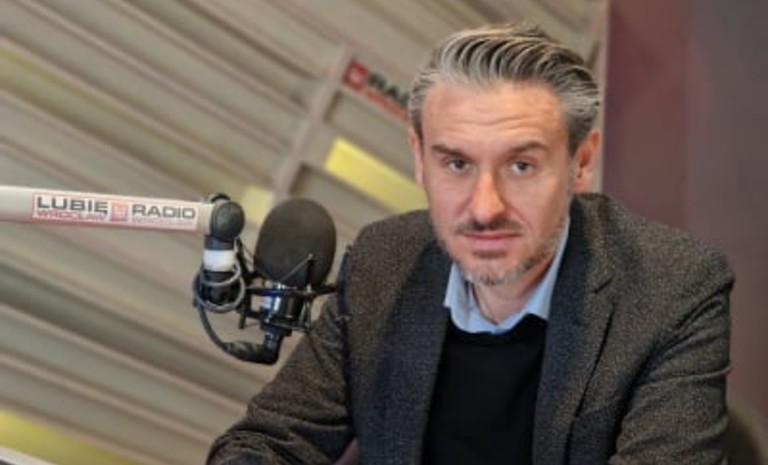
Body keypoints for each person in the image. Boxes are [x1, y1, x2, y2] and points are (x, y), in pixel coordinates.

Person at [207, 22, 733, 465]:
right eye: (457, 163)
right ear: (419, 159)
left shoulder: (673, 289)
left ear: (581, 162)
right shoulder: (382, 261)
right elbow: (266, 442)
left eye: (521, 166)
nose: (485, 207)